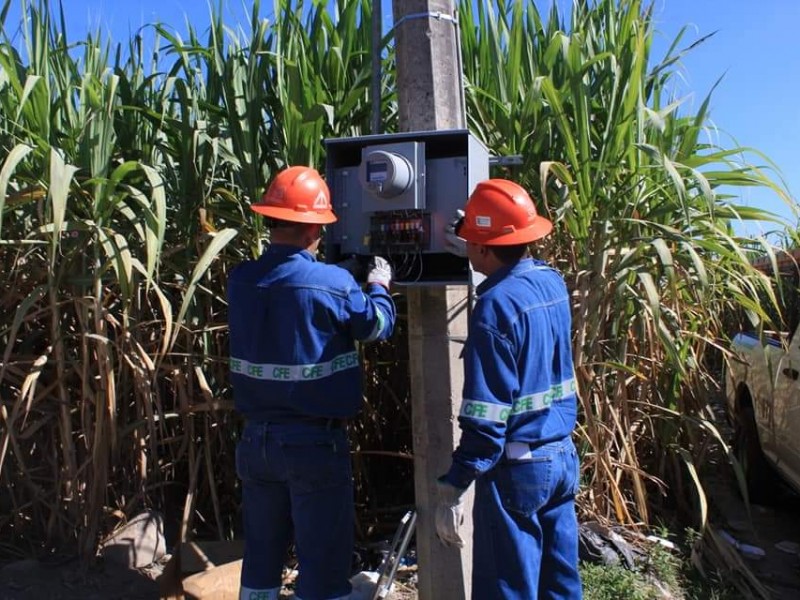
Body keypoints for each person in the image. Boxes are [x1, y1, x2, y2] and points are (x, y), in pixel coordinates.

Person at [227, 166, 397, 600]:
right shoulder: (333, 283)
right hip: (313, 446)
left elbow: (289, 292)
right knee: (322, 559)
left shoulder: (241, 280)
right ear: (313, 229)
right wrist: (378, 284)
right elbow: (375, 327)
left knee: (262, 555)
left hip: (256, 444)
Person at [437, 179, 582, 599]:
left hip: (518, 470)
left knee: (507, 589)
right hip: (560, 457)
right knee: (559, 584)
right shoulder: (551, 281)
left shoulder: (494, 309)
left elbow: (486, 422)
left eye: (471, 242)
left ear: (484, 248)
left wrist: (455, 485)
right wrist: (474, 236)